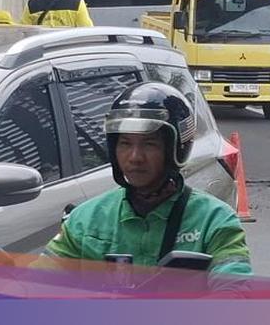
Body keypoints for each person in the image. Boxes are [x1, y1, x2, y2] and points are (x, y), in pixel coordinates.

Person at [43, 82, 252, 281]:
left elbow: (234, 290)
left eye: (149, 144)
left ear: (175, 148)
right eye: (125, 143)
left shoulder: (214, 221)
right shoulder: (85, 221)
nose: (135, 157)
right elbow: (38, 284)